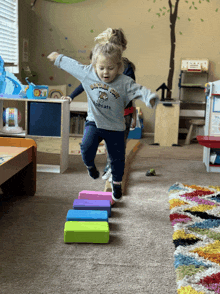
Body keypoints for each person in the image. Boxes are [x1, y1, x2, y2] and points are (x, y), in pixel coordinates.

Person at [47, 37, 159, 202]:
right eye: (101, 68)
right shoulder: (88, 73)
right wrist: (57, 58)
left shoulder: (124, 82)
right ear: (94, 66)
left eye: (110, 68)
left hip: (116, 126)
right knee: (85, 147)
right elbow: (72, 65)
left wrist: (149, 97)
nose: (105, 72)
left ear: (119, 67)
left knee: (117, 159)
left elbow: (139, 90)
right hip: (94, 121)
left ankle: (117, 184)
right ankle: (90, 166)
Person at [65, 29, 137, 182]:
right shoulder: (100, 64)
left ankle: (113, 168)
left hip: (122, 114)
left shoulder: (127, 67)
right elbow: (86, 81)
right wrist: (71, 96)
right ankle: (109, 165)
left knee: (118, 145)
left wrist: (134, 113)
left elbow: (131, 92)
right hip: (103, 113)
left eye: (116, 47)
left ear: (122, 48)